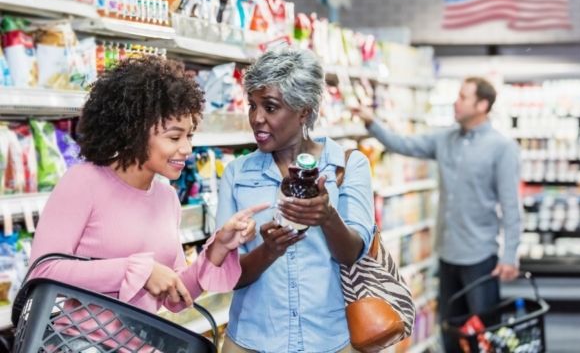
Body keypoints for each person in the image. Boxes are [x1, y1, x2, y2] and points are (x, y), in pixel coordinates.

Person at [28, 56, 268, 348]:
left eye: (190, 135)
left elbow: (176, 297)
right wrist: (136, 271)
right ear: (135, 131)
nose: (187, 149)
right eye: (174, 137)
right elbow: (43, 271)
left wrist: (218, 248)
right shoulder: (84, 182)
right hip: (78, 343)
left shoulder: (167, 198)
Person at [216, 49, 375, 353]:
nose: (257, 118)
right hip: (252, 341)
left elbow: (352, 254)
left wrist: (327, 216)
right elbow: (225, 275)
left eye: (270, 107)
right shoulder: (237, 174)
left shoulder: (346, 165)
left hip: (326, 340)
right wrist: (269, 251)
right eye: (252, 106)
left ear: (304, 110)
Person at [352, 77, 521, 353]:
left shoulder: (502, 148)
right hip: (447, 253)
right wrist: (371, 123)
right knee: (451, 331)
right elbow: (402, 144)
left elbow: (511, 206)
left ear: (482, 105)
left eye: (463, 97)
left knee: (486, 334)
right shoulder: (445, 139)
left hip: (481, 256)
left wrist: (510, 255)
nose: (457, 101)